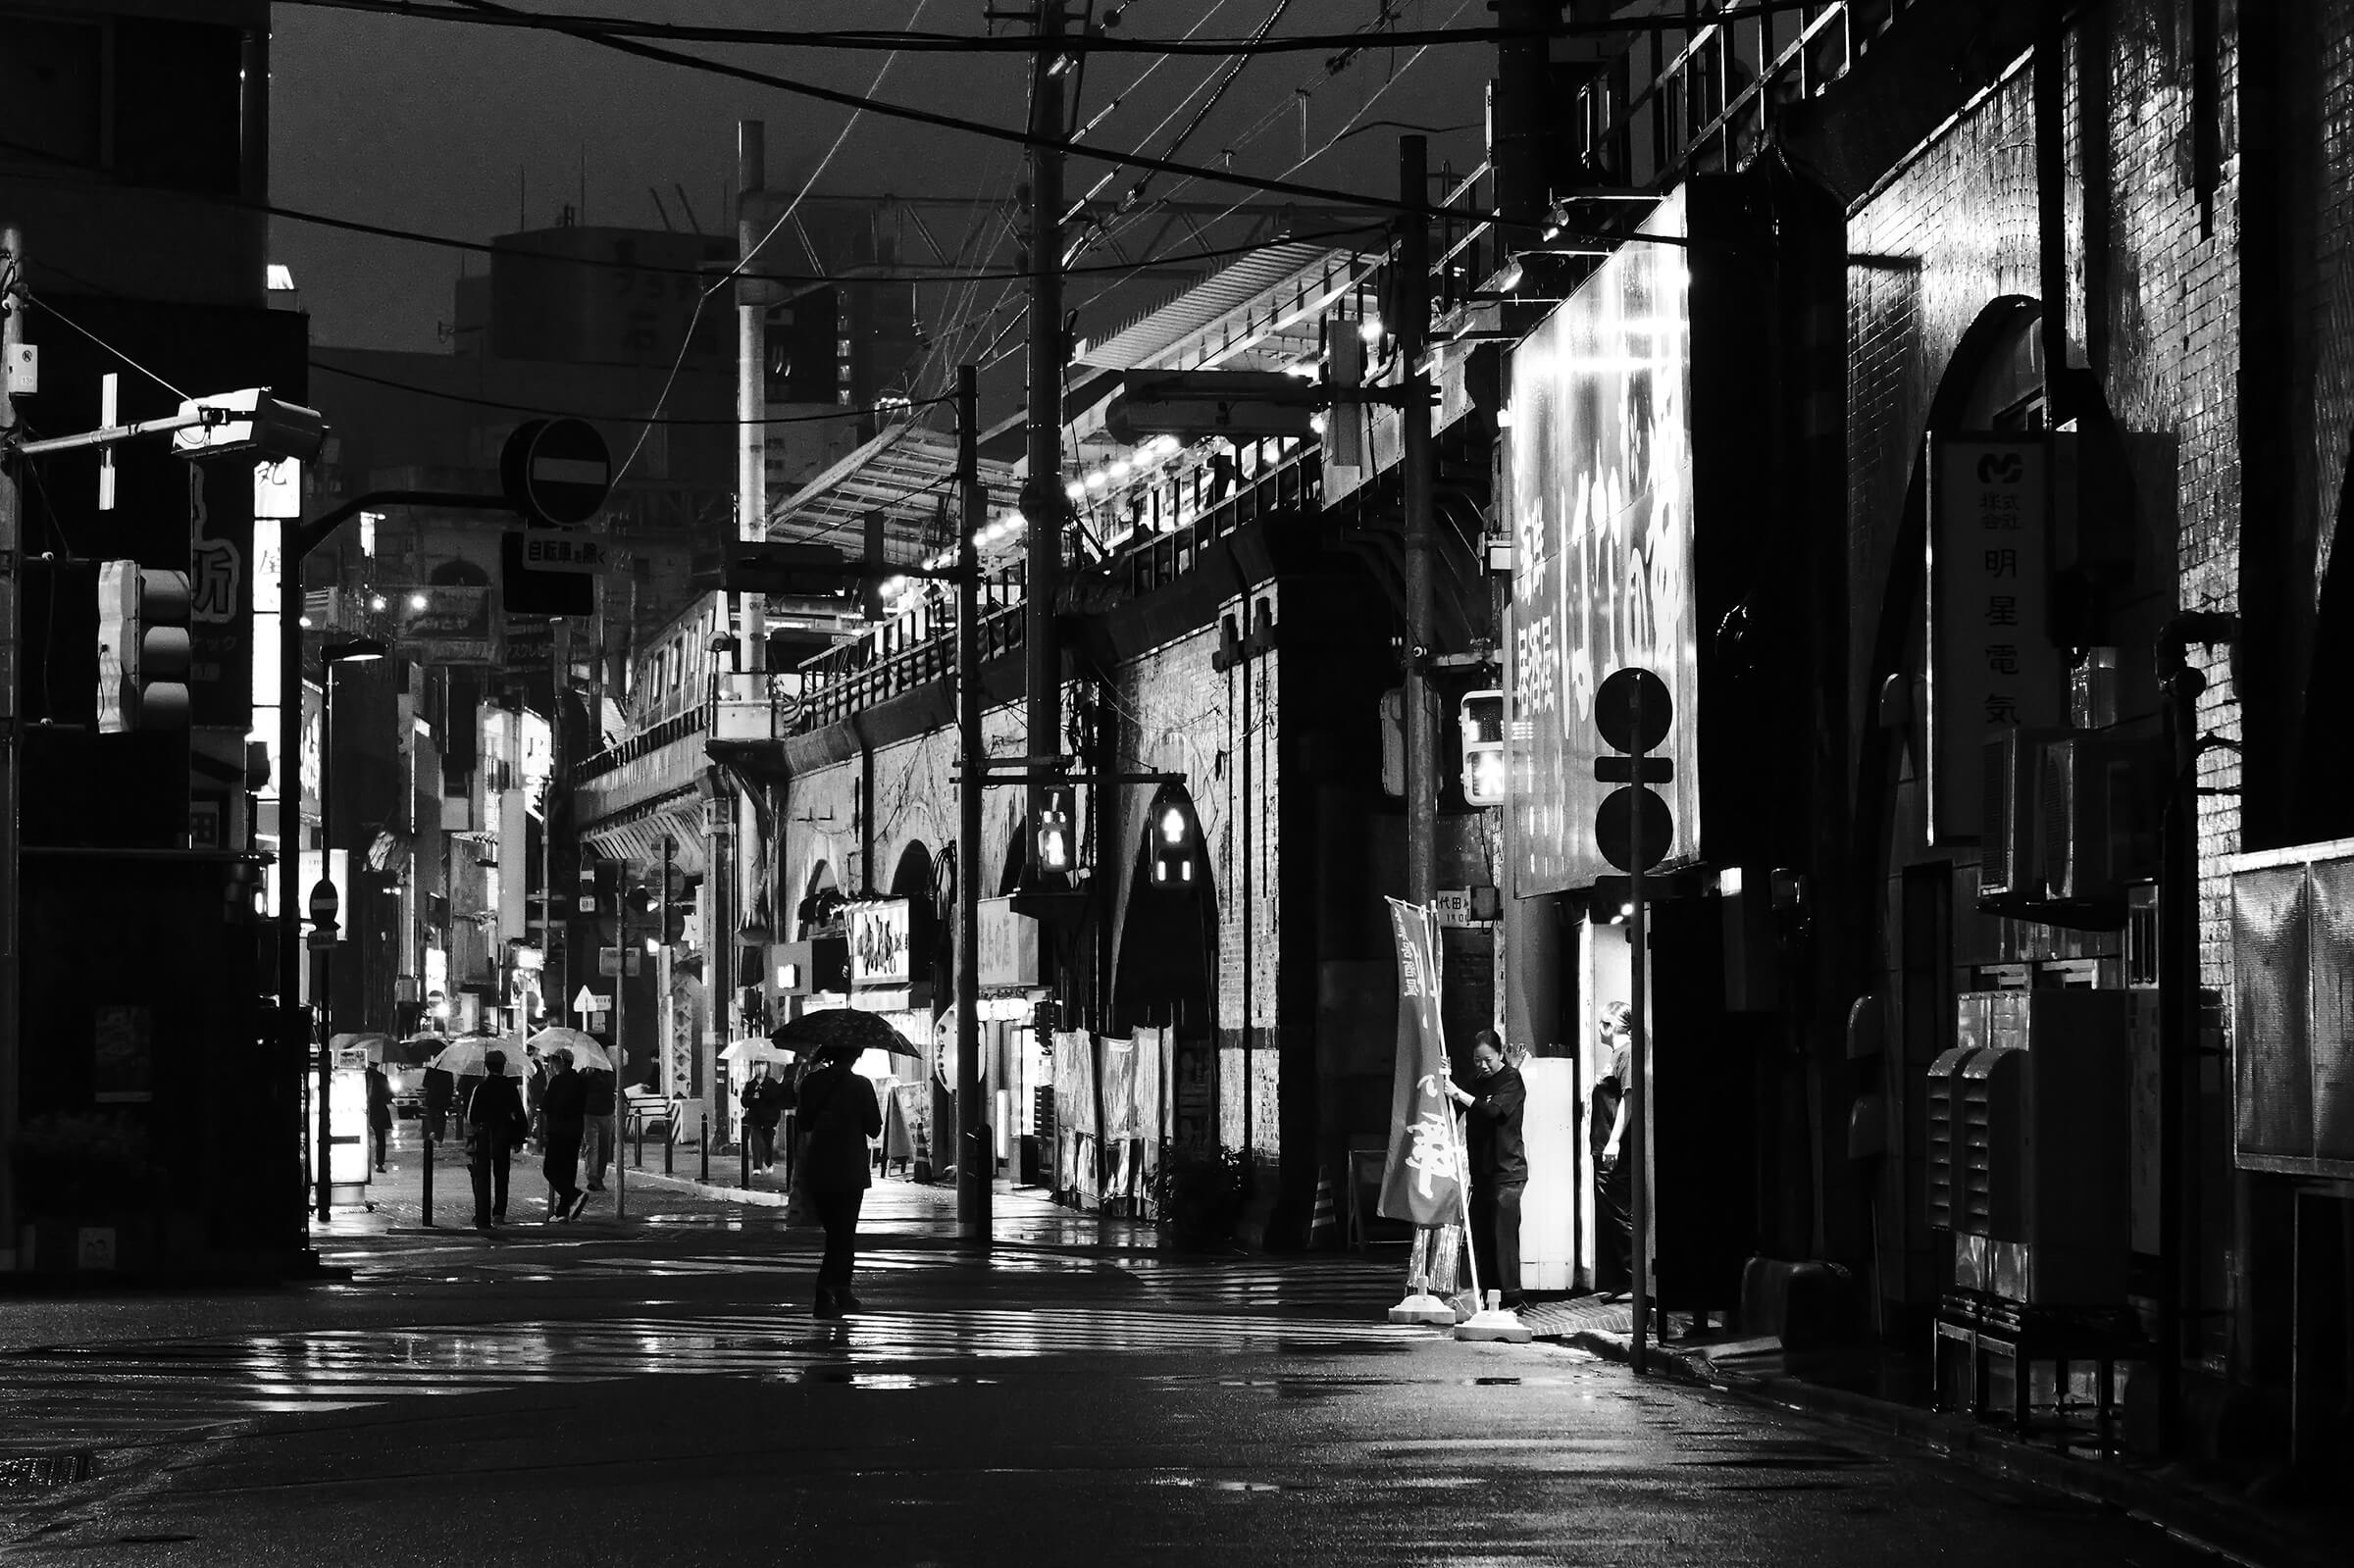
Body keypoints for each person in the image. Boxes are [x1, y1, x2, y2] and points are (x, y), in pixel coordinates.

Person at [795, 1042, 883, 1318]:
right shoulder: (861, 1086)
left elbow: (804, 1123)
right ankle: (827, 1293)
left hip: (819, 1166)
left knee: (835, 1233)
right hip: (850, 1169)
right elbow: (874, 1126)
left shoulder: (812, 1082)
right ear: (855, 1056)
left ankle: (841, 1291)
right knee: (843, 1235)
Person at [1445, 1029, 1528, 1310]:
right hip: (1482, 1174)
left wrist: (1460, 1095)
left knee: (1503, 1236)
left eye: (1488, 1059)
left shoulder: (1512, 1080)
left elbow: (1493, 1112)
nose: (1482, 1065)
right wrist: (1446, 1081)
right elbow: (1454, 1107)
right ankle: (1490, 1297)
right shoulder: (1477, 1082)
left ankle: (1513, 1298)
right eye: (1477, 1059)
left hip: (1507, 1172)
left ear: (1501, 1054)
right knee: (1483, 1237)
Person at [1592, 1000, 1637, 1303]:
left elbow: (1629, 1098)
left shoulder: (1627, 1054)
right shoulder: (1617, 1056)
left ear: (1611, 1026)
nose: (1598, 1028)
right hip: (1605, 1144)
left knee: (1620, 1212)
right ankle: (1623, 1280)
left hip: (1613, 1148)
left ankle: (1635, 1280)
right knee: (1612, 1212)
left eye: (1601, 1023)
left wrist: (1614, 1141)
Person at [465, 1050, 528, 1231]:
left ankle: (481, 1209)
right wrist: (518, 1137)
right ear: (503, 1066)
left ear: (486, 1066)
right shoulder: (510, 1088)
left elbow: (472, 1117)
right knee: (502, 1175)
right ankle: (499, 1212)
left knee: (480, 1174)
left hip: (484, 1139)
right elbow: (519, 1115)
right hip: (504, 1136)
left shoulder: (481, 1088)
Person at [539, 1048, 588, 1222]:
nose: (550, 1065)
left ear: (560, 1062)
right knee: (568, 1171)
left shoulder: (557, 1081)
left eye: (552, 1061)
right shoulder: (580, 1081)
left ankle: (574, 1194)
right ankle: (562, 1212)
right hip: (575, 1131)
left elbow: (546, 1106)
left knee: (550, 1170)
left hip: (558, 1131)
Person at [742, 1065, 783, 1173]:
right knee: (756, 1141)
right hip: (755, 1119)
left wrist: (763, 1092)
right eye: (757, 1065)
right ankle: (757, 1166)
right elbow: (744, 1101)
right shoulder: (751, 1084)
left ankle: (768, 1162)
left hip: (769, 1119)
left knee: (768, 1143)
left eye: (762, 1065)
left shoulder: (772, 1083)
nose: (759, 1068)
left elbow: (776, 1099)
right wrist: (752, 1098)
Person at [582, 1062, 616, 1192]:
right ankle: (593, 1178)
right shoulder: (587, 1073)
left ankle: (599, 1176)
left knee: (604, 1147)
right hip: (590, 1113)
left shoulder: (610, 1072)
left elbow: (612, 1088)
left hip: (606, 1112)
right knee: (592, 1146)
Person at [365, 1059, 394, 1173]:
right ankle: (379, 1164)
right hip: (378, 1111)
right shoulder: (382, 1077)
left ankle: (364, 1164)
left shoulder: (361, 1075)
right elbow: (389, 1097)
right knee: (380, 1139)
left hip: (363, 1110)